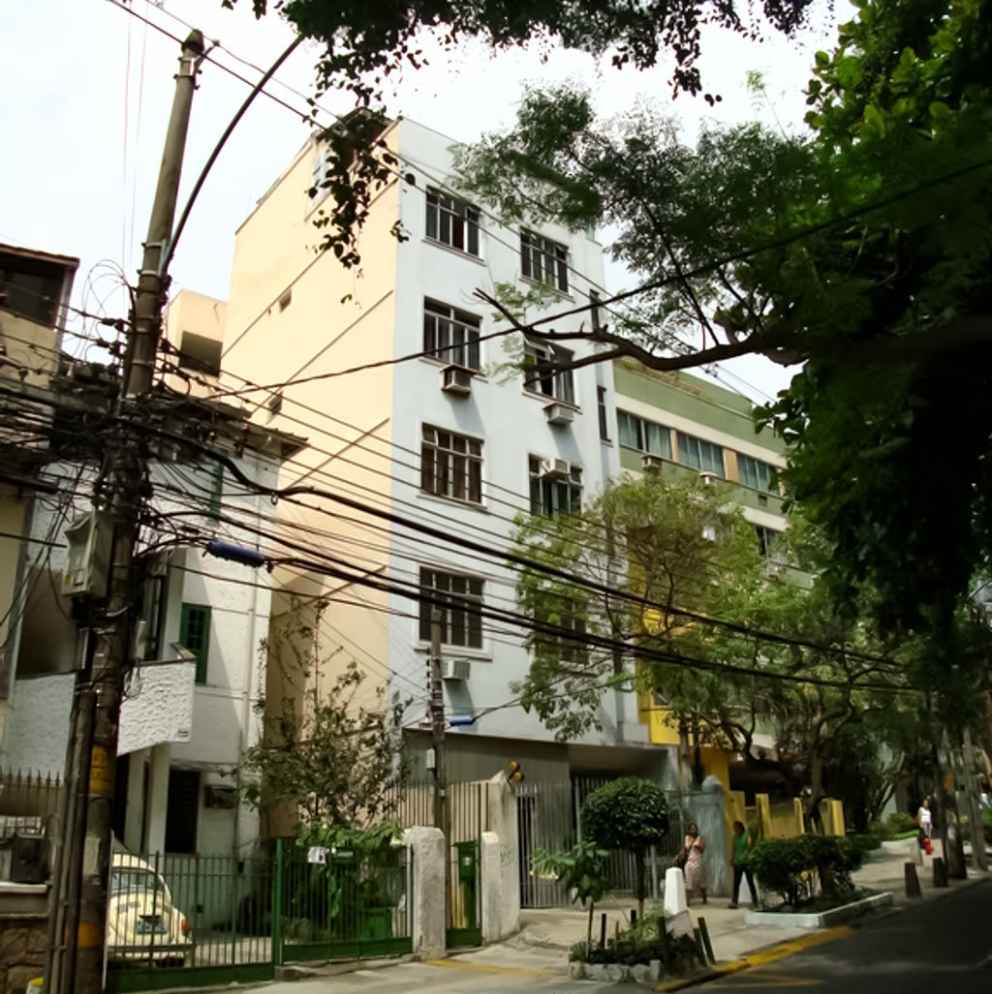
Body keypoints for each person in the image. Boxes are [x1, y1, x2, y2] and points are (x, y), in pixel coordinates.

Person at [728, 820, 758, 909]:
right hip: (738, 862)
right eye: (734, 828)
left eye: (736, 827)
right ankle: (734, 901)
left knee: (750, 882)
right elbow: (733, 848)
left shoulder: (747, 835)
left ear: (740, 827)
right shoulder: (734, 837)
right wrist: (732, 859)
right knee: (736, 883)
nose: (735, 829)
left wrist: (751, 856)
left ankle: (755, 900)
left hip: (747, 862)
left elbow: (750, 846)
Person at [683, 821, 707, 906]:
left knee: (701, 881)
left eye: (695, 829)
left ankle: (704, 898)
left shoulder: (700, 838)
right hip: (690, 861)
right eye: (692, 829)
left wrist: (699, 845)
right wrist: (692, 842)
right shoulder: (687, 837)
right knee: (688, 882)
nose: (693, 830)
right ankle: (687, 901)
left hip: (698, 861)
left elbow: (702, 850)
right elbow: (686, 848)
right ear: (689, 829)